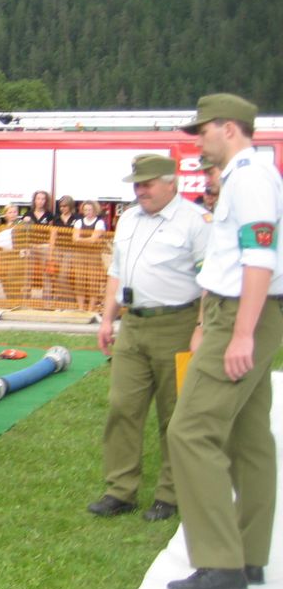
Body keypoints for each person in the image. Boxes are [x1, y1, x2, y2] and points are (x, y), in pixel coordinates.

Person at [165, 94, 283, 589]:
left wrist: (239, 333)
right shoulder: (251, 175)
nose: (199, 140)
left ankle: (220, 563)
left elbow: (260, 256)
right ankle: (249, 556)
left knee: (191, 432)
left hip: (245, 313)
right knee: (251, 437)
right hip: (245, 312)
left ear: (229, 128)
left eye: (204, 130)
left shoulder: (250, 178)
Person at [89, 154, 209, 524]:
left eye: (147, 183)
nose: (140, 190)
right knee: (122, 406)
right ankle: (120, 490)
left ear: (171, 183)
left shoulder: (195, 222)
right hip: (134, 326)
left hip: (178, 324)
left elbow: (209, 279)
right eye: (137, 184)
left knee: (176, 414)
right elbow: (116, 272)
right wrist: (107, 318)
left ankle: (171, 494)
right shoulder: (128, 219)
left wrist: (202, 327)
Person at [71, 199, 107, 313]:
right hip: (80, 255)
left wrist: (81, 239)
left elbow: (94, 240)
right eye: (85, 209)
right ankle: (81, 308)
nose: (88, 212)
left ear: (95, 210)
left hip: (94, 256)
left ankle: (91, 309)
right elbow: (74, 239)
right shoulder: (78, 222)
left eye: (90, 209)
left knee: (93, 282)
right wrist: (88, 239)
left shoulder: (100, 222)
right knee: (79, 281)